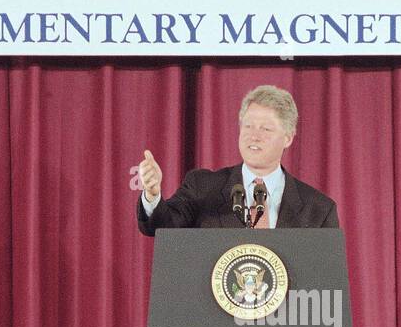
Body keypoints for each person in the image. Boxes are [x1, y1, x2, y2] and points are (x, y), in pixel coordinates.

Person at [135, 84, 339, 233]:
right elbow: (162, 226)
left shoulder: (318, 209)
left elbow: (327, 281)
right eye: (248, 126)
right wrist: (153, 196)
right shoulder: (202, 188)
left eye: (266, 129)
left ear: (287, 138)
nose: (254, 135)